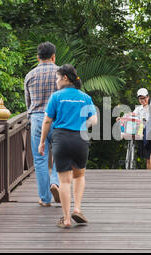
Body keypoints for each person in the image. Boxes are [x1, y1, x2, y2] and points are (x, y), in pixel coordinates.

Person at [38, 64, 98, 228]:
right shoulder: (85, 97)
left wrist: (42, 142)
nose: (56, 82)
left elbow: (47, 121)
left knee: (64, 181)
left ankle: (65, 219)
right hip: (80, 139)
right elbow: (94, 120)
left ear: (65, 78)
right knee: (79, 176)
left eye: (57, 78)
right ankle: (77, 209)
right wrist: (82, 126)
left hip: (61, 139)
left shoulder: (56, 97)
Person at [24, 41, 60, 207]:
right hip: (59, 119)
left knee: (40, 159)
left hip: (38, 119)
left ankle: (45, 198)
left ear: (38, 57)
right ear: (53, 57)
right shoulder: (61, 73)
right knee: (60, 154)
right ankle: (55, 182)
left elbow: (28, 103)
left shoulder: (30, 75)